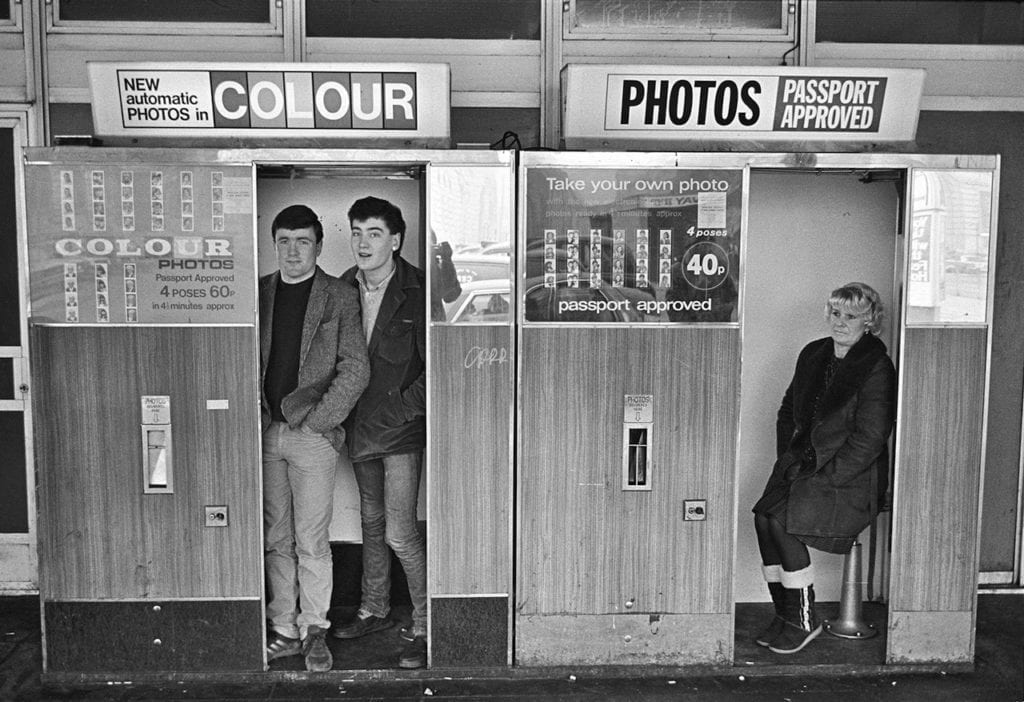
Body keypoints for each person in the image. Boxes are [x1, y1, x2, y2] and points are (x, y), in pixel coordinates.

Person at [752, 282, 896, 655]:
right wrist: (789, 459)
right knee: (763, 518)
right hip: (803, 466)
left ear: (870, 321)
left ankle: (804, 620)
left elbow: (871, 438)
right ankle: (785, 614)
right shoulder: (814, 353)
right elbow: (788, 411)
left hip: (850, 479)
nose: (840, 322)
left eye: (851, 316)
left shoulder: (876, 366)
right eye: (835, 313)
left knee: (781, 522)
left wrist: (828, 478)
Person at [260, 204, 370, 672]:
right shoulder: (260, 291)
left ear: (319, 246)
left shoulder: (338, 295)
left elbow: (355, 368)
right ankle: (283, 628)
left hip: (311, 434)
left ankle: (314, 629)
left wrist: (320, 424)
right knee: (275, 535)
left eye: (302, 241)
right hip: (265, 432)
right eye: (284, 240)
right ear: (274, 244)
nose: (292, 250)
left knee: (311, 539)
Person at [333, 196, 429, 670]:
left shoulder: (417, 290)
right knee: (370, 524)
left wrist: (401, 414)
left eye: (373, 233)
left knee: (400, 532)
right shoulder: (344, 290)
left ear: (395, 240)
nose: (362, 242)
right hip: (357, 428)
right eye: (356, 232)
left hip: (399, 432)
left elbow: (435, 372)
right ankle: (374, 609)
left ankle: (429, 623)